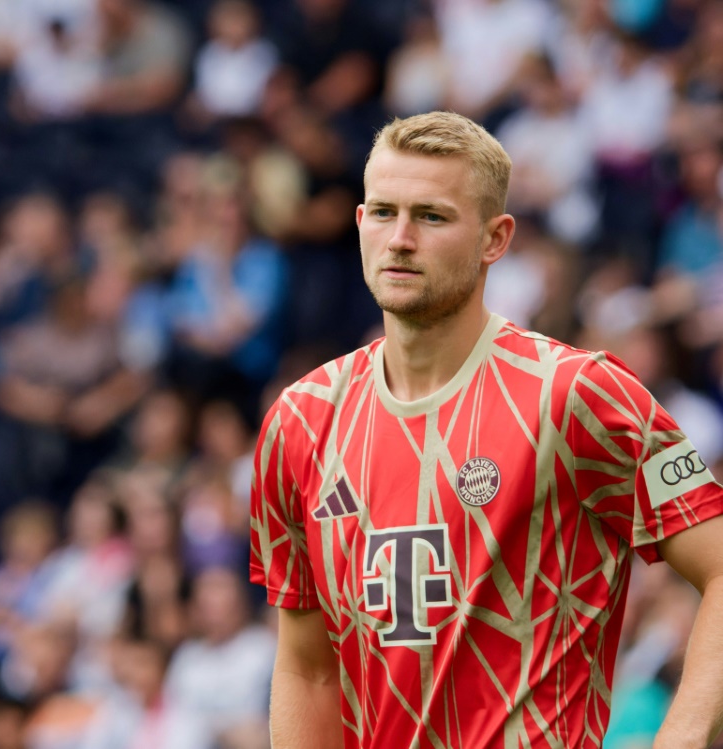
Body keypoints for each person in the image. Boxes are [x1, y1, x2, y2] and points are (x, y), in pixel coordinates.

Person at [249, 111, 723, 748]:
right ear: (359, 224)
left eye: (433, 216)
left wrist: (684, 739)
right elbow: (308, 669)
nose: (400, 238)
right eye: (384, 212)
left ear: (495, 239)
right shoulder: (300, 421)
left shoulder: (578, 395)